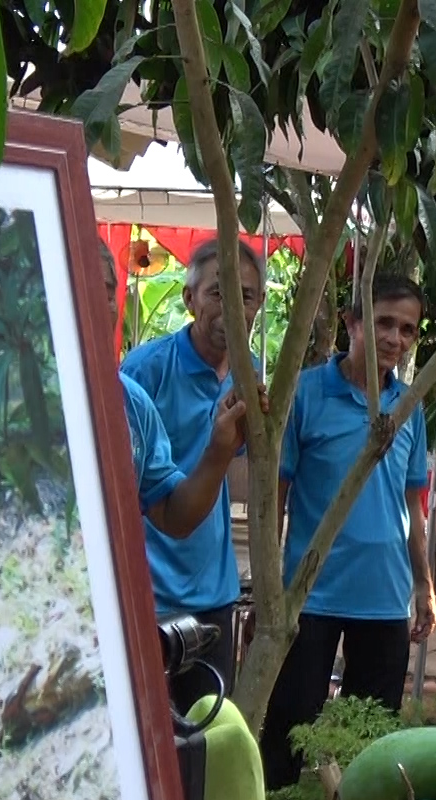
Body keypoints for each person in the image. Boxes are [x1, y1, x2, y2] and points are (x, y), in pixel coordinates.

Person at [261, 275, 436, 790]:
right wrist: (270, 591)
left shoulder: (409, 406)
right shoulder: (307, 392)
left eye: (407, 330)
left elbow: (413, 504)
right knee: (289, 736)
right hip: (310, 597)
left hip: (383, 598)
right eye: (383, 322)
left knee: (372, 746)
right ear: (352, 321)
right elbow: (276, 494)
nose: (394, 339)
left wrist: (422, 583)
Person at [120, 238, 265, 715]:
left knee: (207, 741)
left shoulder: (250, 374)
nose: (232, 309)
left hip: (214, 594)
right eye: (217, 294)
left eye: (244, 296)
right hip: (150, 596)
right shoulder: (144, 372)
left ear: (260, 304)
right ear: (189, 299)